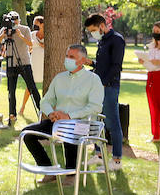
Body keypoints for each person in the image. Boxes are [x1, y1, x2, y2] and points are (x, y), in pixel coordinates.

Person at [21, 44, 103, 181]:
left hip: (82, 124)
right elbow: (45, 101)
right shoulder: (59, 78)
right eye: (67, 56)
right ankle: (48, 170)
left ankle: (71, 175)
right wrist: (50, 113)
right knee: (28, 134)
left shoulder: (93, 80)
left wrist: (70, 116)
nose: (67, 59)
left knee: (69, 130)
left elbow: (95, 107)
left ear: (83, 60)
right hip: (58, 122)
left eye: (72, 57)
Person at [85, 13, 126, 169]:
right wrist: (91, 63)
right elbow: (102, 65)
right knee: (96, 121)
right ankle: (99, 155)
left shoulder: (117, 40)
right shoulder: (101, 42)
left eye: (94, 30)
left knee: (112, 123)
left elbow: (116, 67)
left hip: (109, 88)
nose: (92, 33)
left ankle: (116, 160)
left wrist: (103, 83)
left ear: (102, 25)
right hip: (98, 87)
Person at [2, 12, 41, 122]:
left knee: (32, 87)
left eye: (15, 19)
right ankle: (12, 115)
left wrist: (20, 35)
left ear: (19, 20)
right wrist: (2, 35)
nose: (14, 22)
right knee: (11, 90)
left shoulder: (25, 29)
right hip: (11, 63)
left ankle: (42, 112)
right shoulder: (6, 29)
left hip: (24, 62)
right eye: (12, 20)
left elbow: (30, 44)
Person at [21, 15, 46, 118]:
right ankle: (22, 107)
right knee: (29, 85)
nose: (34, 25)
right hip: (34, 61)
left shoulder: (49, 34)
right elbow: (28, 46)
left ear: (42, 24)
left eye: (36, 23)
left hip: (44, 61)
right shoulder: (32, 34)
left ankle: (44, 108)